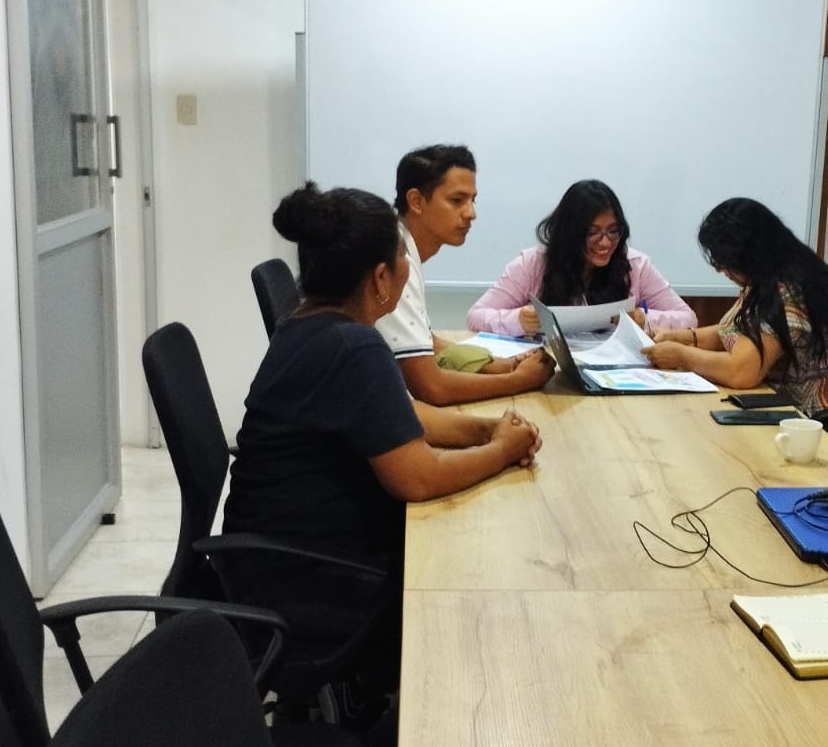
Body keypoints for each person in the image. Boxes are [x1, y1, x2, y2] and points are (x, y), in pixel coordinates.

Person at [223, 182, 543, 709]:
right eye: (402, 262)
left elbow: (397, 415)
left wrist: (486, 430)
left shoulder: (307, 325)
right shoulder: (354, 346)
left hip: (272, 565)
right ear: (379, 278)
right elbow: (418, 477)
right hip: (312, 582)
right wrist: (503, 452)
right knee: (476, 591)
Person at [640, 197, 828, 451]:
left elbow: (741, 372)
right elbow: (735, 332)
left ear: (749, 254)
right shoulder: (768, 278)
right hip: (793, 415)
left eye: (725, 262)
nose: (721, 271)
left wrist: (681, 356)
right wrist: (684, 337)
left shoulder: (789, 292)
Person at [375, 144, 554, 405]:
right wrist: (520, 380)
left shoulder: (400, 245)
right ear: (416, 201)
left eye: (473, 200)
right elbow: (431, 388)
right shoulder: (394, 261)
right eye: (457, 200)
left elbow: (428, 343)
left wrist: (500, 364)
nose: (471, 213)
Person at [466, 179, 697, 336]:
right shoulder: (532, 264)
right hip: (546, 368)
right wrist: (518, 320)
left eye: (613, 231)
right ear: (569, 232)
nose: (605, 243)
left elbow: (688, 318)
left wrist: (643, 319)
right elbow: (476, 316)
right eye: (592, 233)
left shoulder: (636, 266)